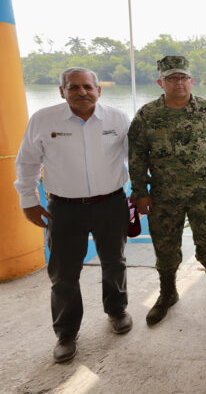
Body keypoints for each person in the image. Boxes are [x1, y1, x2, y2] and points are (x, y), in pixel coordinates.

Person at [15, 67, 132, 363]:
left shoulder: (117, 118)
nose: (82, 92)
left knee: (114, 261)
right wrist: (28, 200)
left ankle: (117, 310)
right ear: (62, 91)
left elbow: (136, 157)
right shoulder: (44, 120)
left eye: (87, 87)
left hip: (111, 203)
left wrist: (142, 192)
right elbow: (27, 162)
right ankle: (66, 333)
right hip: (64, 208)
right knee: (63, 274)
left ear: (98, 90)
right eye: (73, 87)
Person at [128, 56, 206, 326]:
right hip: (164, 194)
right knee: (165, 247)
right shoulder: (147, 115)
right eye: (172, 78)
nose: (179, 83)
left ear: (191, 80)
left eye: (183, 77)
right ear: (160, 82)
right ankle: (167, 293)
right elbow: (137, 157)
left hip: (203, 191)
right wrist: (140, 192)